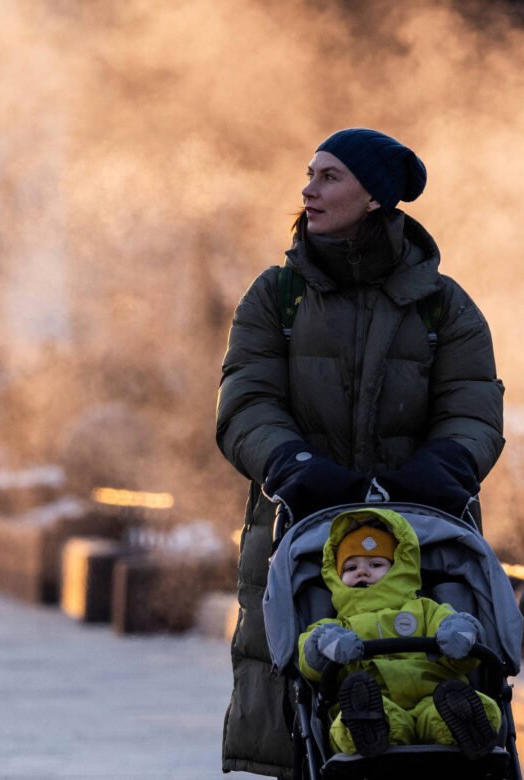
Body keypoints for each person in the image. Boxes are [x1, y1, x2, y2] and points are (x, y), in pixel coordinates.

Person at [215, 128, 504, 777]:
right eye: (309, 174)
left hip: (422, 530)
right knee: (305, 702)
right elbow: (246, 400)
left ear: (374, 197)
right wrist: (290, 464)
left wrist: (445, 466)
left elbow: (472, 408)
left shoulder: (443, 307)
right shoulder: (277, 296)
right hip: (301, 524)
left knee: (432, 668)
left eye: (329, 177)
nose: (308, 190)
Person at [298, 507, 501, 759]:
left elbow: (457, 634)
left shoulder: (425, 610)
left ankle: (458, 721)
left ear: (398, 569)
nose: (362, 571)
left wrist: (460, 633)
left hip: (435, 695)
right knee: (352, 717)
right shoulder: (339, 625)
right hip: (375, 699)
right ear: (336, 577)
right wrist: (323, 645)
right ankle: (370, 725)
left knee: (464, 706)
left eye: (375, 564)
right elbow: (308, 656)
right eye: (350, 568)